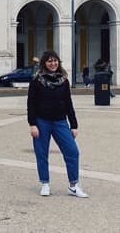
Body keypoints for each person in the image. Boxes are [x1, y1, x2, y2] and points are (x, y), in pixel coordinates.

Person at [27, 50, 88, 197]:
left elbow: (68, 103)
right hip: (42, 121)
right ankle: (45, 183)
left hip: (60, 121)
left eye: (55, 61)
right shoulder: (36, 80)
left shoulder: (64, 80)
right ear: (44, 63)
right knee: (42, 153)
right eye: (49, 61)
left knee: (72, 152)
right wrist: (32, 124)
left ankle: (73, 185)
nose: (53, 63)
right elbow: (31, 103)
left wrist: (74, 125)